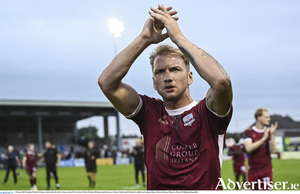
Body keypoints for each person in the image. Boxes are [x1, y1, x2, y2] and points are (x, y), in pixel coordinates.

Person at [98, 4, 233, 190]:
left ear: (190, 77)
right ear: (154, 82)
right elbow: (107, 83)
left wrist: (179, 38)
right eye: (160, 72)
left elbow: (221, 81)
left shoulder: (208, 113)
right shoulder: (148, 112)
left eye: (175, 69)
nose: (168, 77)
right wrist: (144, 38)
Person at [244, 108, 278, 190]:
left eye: (268, 117)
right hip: (253, 171)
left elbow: (273, 151)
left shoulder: (269, 132)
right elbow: (248, 148)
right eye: (266, 117)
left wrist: (272, 135)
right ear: (259, 118)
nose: (269, 119)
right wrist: (263, 139)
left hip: (266, 170)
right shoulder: (248, 132)